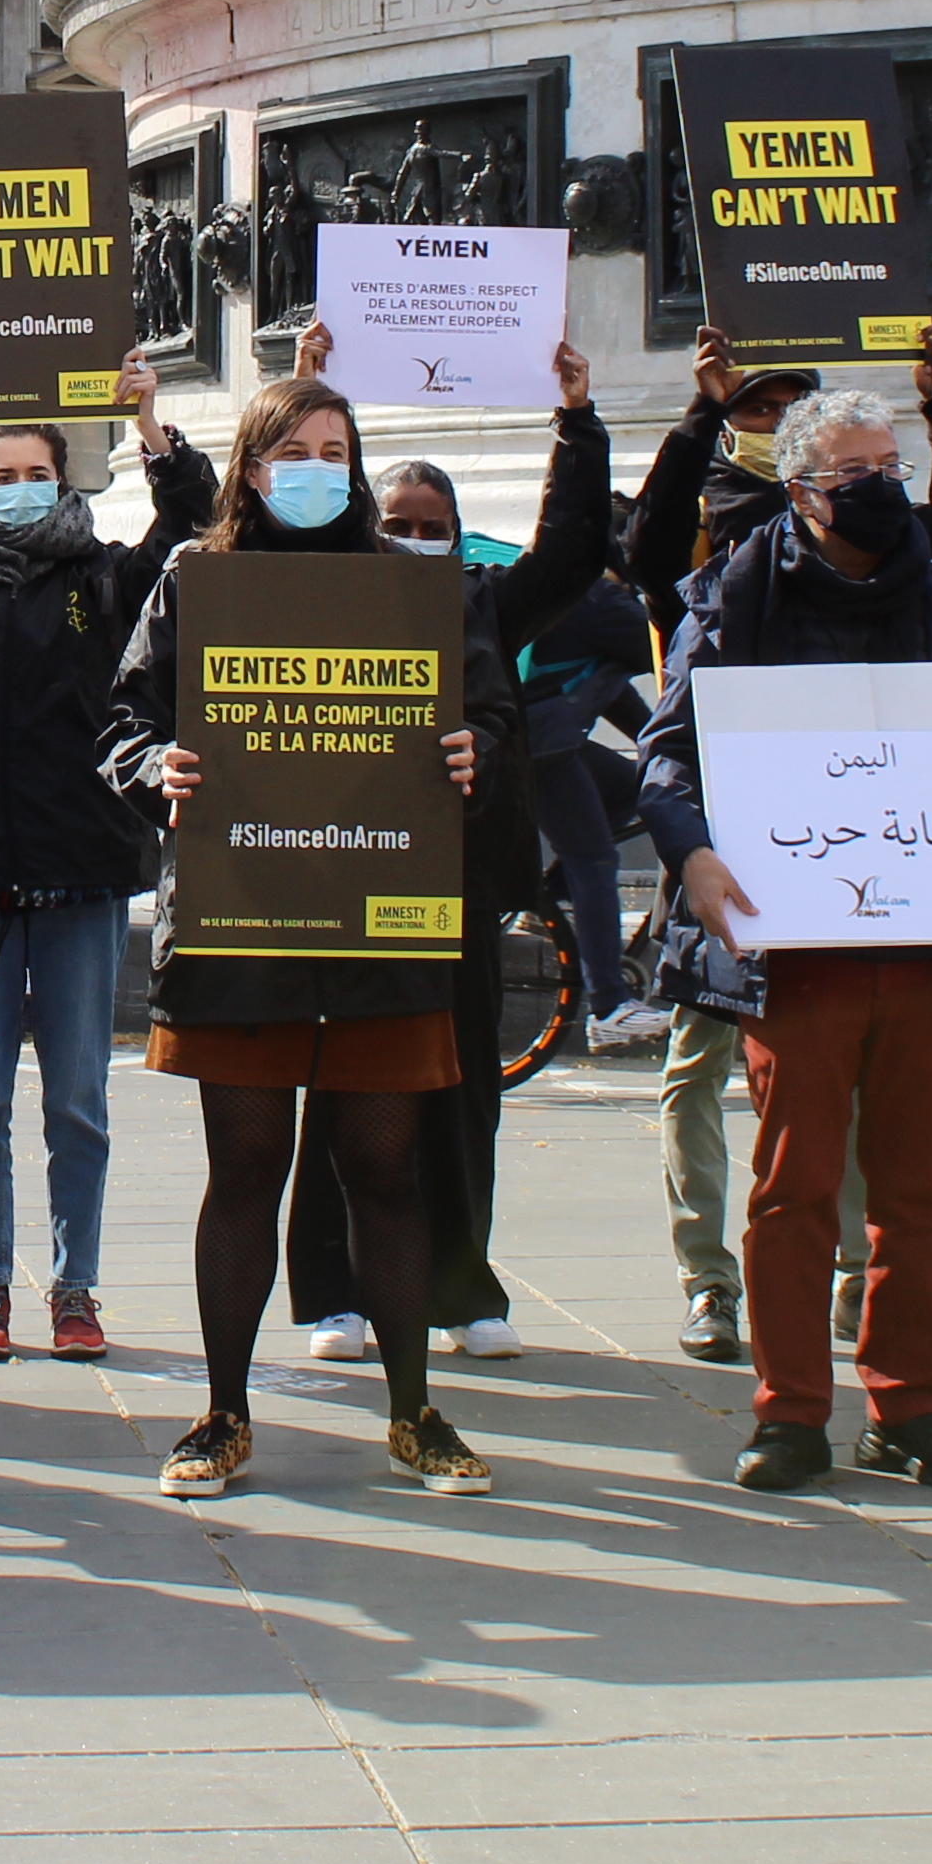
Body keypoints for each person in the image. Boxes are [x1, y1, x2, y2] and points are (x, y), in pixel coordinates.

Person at [644, 386, 932, 1493]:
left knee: (918, 1192)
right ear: (801, 491)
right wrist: (693, 853)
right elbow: (668, 755)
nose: (882, 490)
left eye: (892, 469)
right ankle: (791, 1411)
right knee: (792, 1188)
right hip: (794, 954)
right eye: (855, 475)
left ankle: (910, 1408)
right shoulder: (735, 600)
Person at [98, 370, 518, 1499]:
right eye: (297, 451)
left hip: (381, 922)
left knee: (384, 1168)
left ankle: (412, 1409)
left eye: (337, 452)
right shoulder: (199, 578)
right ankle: (224, 1412)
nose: (318, 473)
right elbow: (128, 718)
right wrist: (154, 767)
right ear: (251, 464)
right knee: (245, 1168)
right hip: (243, 921)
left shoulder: (415, 586)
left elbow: (488, 714)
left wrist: (473, 751)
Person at [637, 315, 932, 1362]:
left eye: (892, 468)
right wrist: (700, 413)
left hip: (893, 893)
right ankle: (712, 1283)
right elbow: (645, 547)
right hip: (741, 879)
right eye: (754, 405)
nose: (769, 414)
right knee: (704, 1076)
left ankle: (858, 1290)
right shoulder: (727, 558)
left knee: (868, 1134)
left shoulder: (927, 575)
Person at [278, 328, 634, 1367]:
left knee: (464, 1086)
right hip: (350, 880)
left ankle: (463, 1284)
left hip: (464, 884)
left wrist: (576, 419)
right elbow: (289, 513)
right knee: (340, 1088)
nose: (415, 536)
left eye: (434, 525)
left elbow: (572, 551)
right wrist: (312, 391)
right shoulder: (337, 591)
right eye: (397, 521)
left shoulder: (485, 600)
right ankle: (332, 1293)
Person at [0, 356, 211, 1364]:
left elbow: (192, 526)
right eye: (4, 476)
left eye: (41, 472)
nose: (22, 488)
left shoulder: (105, 577)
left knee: (78, 1098)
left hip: (81, 871)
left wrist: (150, 424)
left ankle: (75, 1290)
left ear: (66, 482)